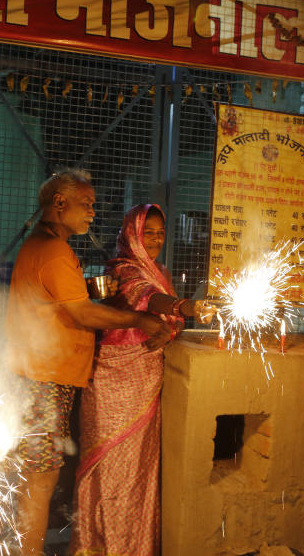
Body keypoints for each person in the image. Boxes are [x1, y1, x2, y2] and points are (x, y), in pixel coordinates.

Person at [6, 171, 173, 556]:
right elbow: (81, 314)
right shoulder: (52, 251)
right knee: (41, 478)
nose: (93, 213)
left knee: (42, 474)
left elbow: (68, 305)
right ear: (60, 204)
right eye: (87, 204)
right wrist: (138, 319)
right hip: (41, 380)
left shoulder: (50, 247)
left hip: (45, 377)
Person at [70, 204, 215, 556]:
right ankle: (100, 546)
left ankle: (134, 546)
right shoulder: (123, 269)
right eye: (147, 231)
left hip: (147, 380)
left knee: (140, 470)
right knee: (109, 468)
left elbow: (158, 311)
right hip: (113, 381)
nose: (154, 239)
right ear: (132, 233)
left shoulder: (160, 270)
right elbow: (144, 298)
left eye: (160, 233)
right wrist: (185, 308)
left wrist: (170, 329)